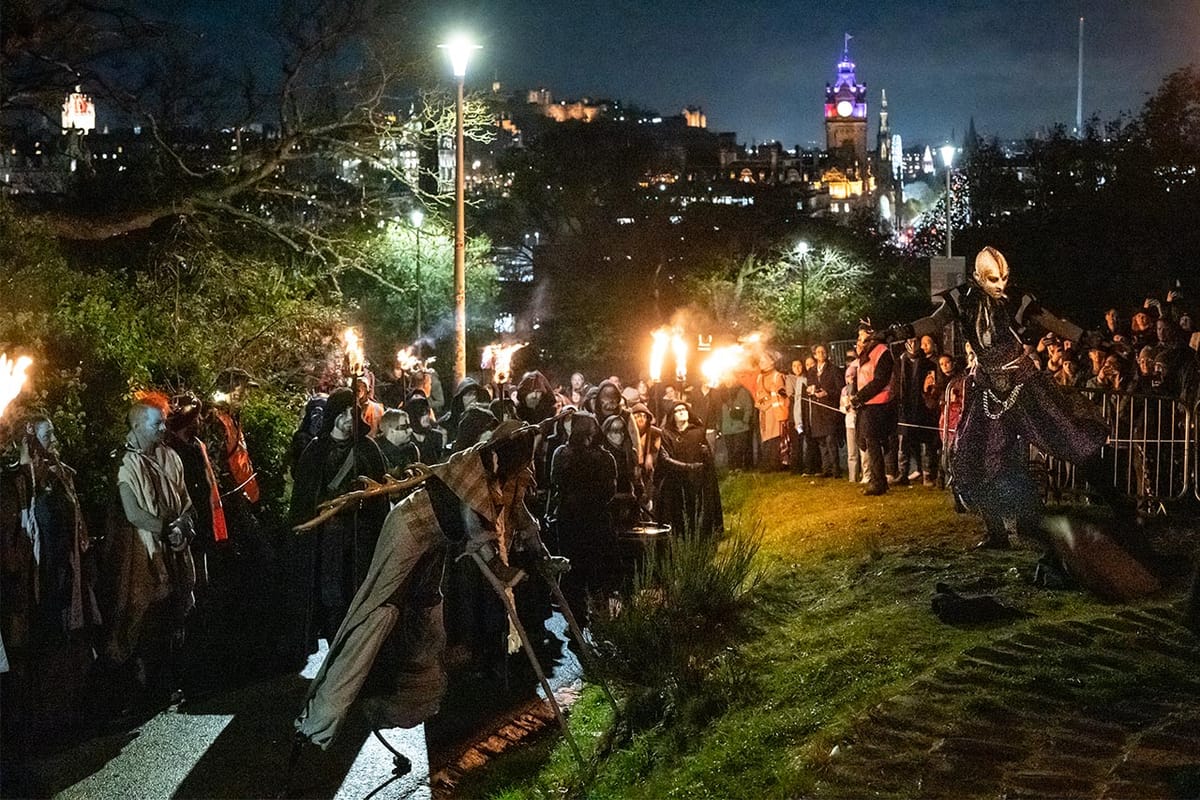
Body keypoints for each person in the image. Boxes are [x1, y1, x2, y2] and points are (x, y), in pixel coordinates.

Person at [885, 246, 1126, 559]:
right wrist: (900, 331)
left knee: (1071, 437)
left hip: (1023, 383)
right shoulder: (961, 299)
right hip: (986, 388)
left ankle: (1121, 507)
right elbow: (933, 321)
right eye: (994, 279)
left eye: (1005, 278)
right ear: (979, 277)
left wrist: (1086, 338)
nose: (1000, 284)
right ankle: (996, 530)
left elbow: (1053, 322)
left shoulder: (1017, 299)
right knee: (972, 456)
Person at [98, 393, 197, 710]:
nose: (163, 429)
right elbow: (132, 512)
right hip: (140, 555)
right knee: (141, 616)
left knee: (171, 617)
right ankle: (136, 691)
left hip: (171, 550)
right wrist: (167, 531)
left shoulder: (170, 458)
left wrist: (181, 526)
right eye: (157, 424)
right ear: (139, 425)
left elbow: (185, 502)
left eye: (165, 423)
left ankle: (164, 685)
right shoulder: (124, 463)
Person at [288, 387, 389, 658]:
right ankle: (335, 650)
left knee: (357, 591)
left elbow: (381, 492)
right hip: (328, 537)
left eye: (351, 411)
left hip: (360, 535)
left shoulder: (367, 448)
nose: (348, 416)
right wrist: (327, 503)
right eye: (343, 411)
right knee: (332, 594)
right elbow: (304, 498)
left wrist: (363, 497)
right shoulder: (316, 451)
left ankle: (359, 652)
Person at [656, 402, 723, 538]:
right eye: (677, 410)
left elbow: (707, 462)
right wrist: (688, 467)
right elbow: (665, 459)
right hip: (676, 483)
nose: (681, 412)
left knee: (696, 512)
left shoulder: (698, 432)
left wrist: (706, 454)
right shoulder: (667, 434)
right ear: (672, 416)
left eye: (684, 409)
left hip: (696, 482)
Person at [847, 325, 897, 496]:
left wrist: (860, 396)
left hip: (878, 404)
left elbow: (880, 380)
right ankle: (878, 480)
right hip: (868, 403)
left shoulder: (882, 352)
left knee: (874, 443)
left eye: (863, 337)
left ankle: (879, 482)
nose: (860, 341)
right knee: (870, 443)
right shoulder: (866, 355)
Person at [805, 344, 845, 478]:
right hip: (817, 409)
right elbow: (810, 386)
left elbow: (840, 389)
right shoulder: (811, 371)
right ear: (814, 355)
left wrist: (827, 393)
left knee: (830, 440)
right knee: (821, 441)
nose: (820, 354)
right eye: (818, 352)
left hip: (829, 409)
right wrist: (811, 391)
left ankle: (836, 469)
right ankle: (826, 468)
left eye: (823, 351)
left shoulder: (834, 370)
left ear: (826, 354)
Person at [754, 355, 788, 471]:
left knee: (774, 437)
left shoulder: (777, 376)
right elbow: (758, 394)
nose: (760, 363)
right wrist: (760, 404)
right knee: (765, 438)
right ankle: (767, 462)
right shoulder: (759, 377)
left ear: (771, 362)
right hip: (763, 411)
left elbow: (781, 394)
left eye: (763, 360)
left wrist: (767, 401)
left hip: (774, 412)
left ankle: (775, 464)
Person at [374, 409, 420, 474]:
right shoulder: (375, 450)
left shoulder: (411, 449)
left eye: (409, 426)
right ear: (390, 430)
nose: (410, 430)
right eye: (404, 427)